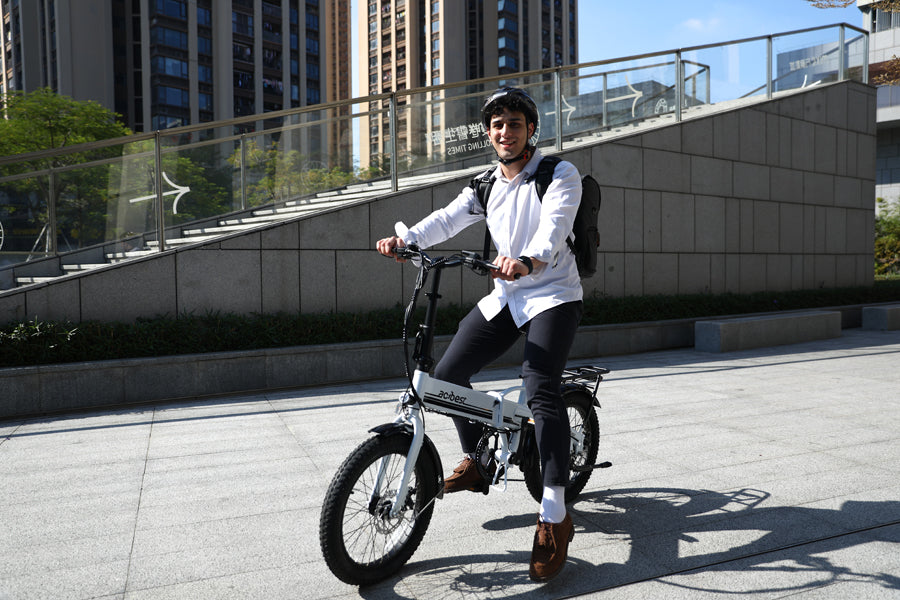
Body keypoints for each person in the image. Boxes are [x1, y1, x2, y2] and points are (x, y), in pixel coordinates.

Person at [375, 87, 583, 583]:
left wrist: (528, 259)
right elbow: (447, 218)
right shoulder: (485, 182)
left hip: (553, 293)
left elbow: (554, 230)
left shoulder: (559, 174)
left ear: (531, 129)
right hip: (508, 296)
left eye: (514, 123)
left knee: (541, 389)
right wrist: (407, 241)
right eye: (496, 125)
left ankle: (554, 517)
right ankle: (476, 458)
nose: (504, 132)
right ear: (488, 134)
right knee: (446, 376)